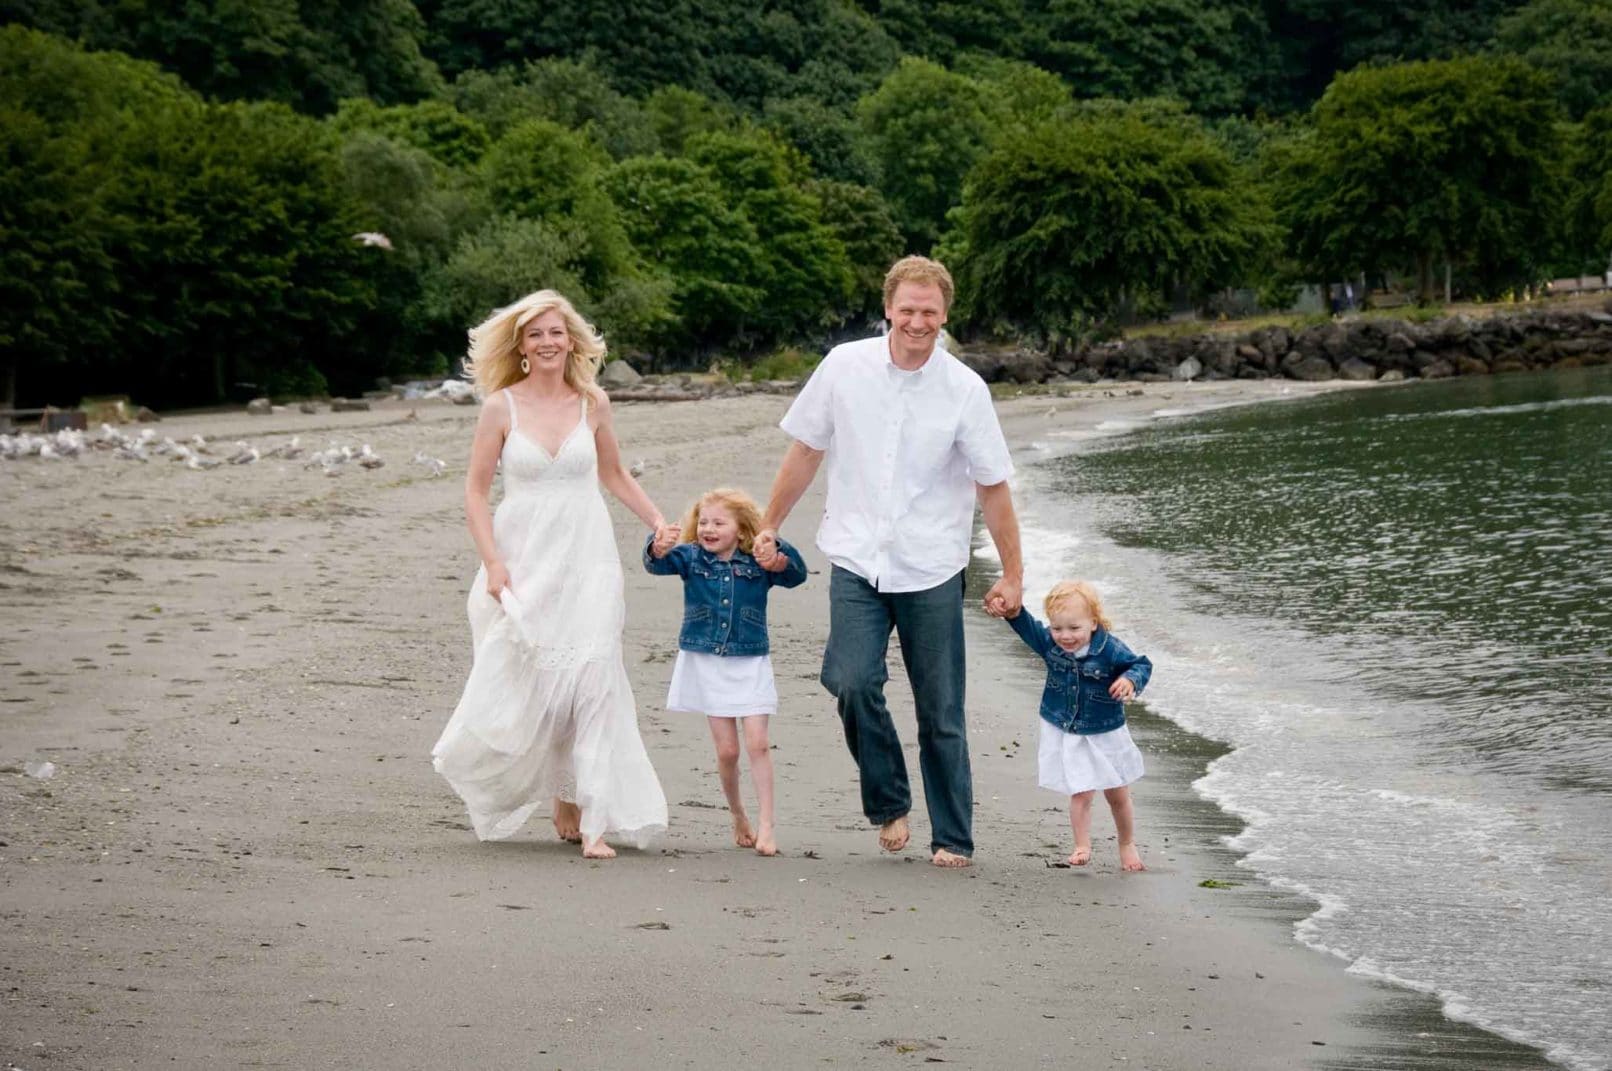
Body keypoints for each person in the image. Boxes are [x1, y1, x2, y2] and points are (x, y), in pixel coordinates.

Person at [754, 255, 1024, 868]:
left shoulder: (965, 390)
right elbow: (805, 450)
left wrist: (1013, 573)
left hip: (932, 565)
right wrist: (768, 523)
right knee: (849, 680)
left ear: (945, 314)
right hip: (856, 557)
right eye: (908, 310)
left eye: (930, 311)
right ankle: (890, 800)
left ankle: (952, 836)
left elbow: (994, 487)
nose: (918, 321)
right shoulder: (843, 368)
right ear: (888, 309)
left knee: (941, 712)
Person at [432, 289, 671, 859]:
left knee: (591, 676)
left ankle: (594, 814)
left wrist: (658, 519)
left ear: (572, 341)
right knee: (536, 676)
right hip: (525, 558)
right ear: (520, 345)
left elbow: (613, 474)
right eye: (535, 334)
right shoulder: (500, 408)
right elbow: (473, 490)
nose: (547, 343)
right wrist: (493, 562)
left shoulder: (593, 403)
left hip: (588, 558)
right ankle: (558, 790)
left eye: (555, 333)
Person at [644, 488, 808, 856]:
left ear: (741, 528)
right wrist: (658, 545)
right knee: (729, 750)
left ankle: (767, 825)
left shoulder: (757, 560)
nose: (708, 529)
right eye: (703, 521)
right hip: (708, 662)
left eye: (719, 522)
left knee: (758, 743)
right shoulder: (690, 558)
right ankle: (738, 815)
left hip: (749, 660)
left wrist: (779, 558)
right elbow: (656, 563)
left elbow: (796, 574)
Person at [1002, 581, 1152, 871]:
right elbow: (1026, 625)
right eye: (1057, 628)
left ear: (1093, 623)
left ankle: (1126, 843)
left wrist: (1129, 680)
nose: (1065, 636)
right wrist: (1009, 609)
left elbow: (1141, 665)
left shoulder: (1110, 649)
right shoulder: (1050, 644)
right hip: (1069, 728)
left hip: (1106, 730)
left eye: (1074, 628)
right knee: (1080, 791)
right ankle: (1082, 845)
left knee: (1117, 794)